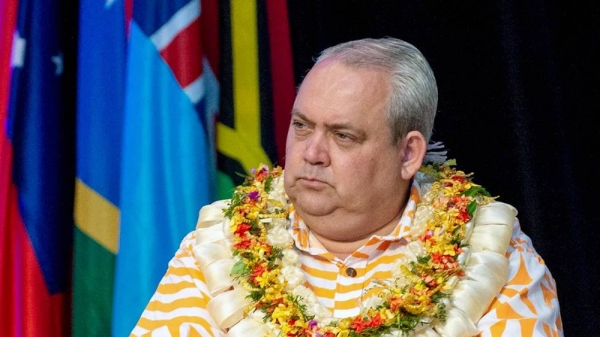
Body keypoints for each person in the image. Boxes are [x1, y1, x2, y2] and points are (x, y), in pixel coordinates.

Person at [130, 37, 562, 337]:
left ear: (409, 154)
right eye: (301, 126)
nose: (311, 152)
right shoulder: (217, 246)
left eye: (343, 136)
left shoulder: (491, 253)